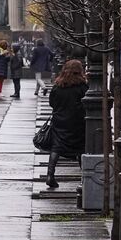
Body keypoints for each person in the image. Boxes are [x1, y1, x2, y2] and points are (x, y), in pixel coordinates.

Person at [44, 59, 87, 189]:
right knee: (81, 148)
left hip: (60, 121)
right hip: (77, 122)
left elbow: (52, 103)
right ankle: (85, 178)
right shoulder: (82, 86)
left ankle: (50, 175)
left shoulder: (58, 85)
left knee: (56, 147)